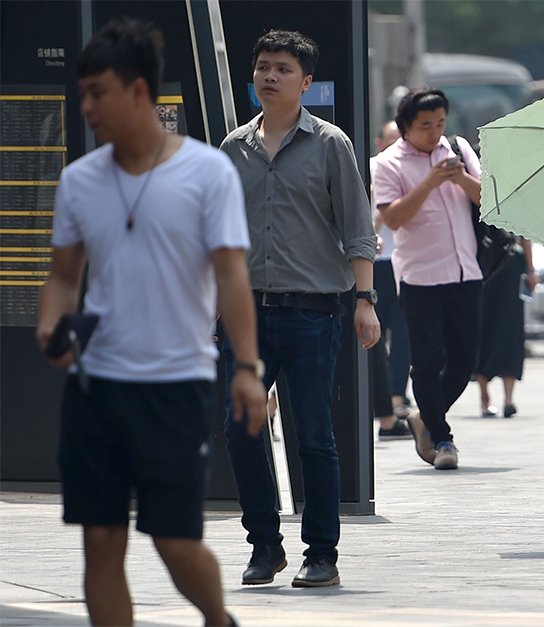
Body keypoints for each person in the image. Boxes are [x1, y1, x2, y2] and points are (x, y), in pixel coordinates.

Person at [36, 18, 266, 626]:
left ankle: (220, 620)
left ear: (139, 92)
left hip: (176, 386)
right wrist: (50, 324)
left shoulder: (205, 173)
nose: (86, 107)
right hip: (96, 387)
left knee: (174, 542)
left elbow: (231, 276)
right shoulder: (79, 181)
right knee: (101, 543)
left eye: (97, 93)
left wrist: (246, 368)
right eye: (82, 93)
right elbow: (63, 275)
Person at [220, 29, 380, 588]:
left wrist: (364, 300)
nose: (270, 76)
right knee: (241, 430)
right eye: (263, 66)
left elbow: (358, 229)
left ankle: (322, 554)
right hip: (242, 314)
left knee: (312, 435)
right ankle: (265, 545)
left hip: (311, 311)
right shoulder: (232, 147)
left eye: (283, 69)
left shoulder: (331, 143)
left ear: (306, 83)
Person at [373, 87, 483, 471]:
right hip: (419, 276)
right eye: (425, 126)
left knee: (464, 359)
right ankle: (441, 438)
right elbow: (393, 219)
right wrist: (430, 183)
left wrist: (460, 179)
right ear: (405, 127)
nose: (435, 133)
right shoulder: (387, 163)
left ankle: (423, 417)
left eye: (439, 123)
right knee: (426, 361)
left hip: (466, 270)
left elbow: (489, 199)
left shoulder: (457, 148)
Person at [371, 121, 412, 439]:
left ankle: (396, 398)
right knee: (375, 338)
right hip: (376, 263)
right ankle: (381, 402)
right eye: (391, 140)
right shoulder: (371, 169)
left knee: (404, 336)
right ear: (378, 143)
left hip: (405, 261)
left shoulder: (414, 170)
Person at [475, 238, 539, 418]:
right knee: (483, 330)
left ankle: (509, 400)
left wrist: (531, 269)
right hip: (482, 265)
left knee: (511, 331)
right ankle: (484, 397)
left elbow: (524, 232)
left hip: (511, 265)